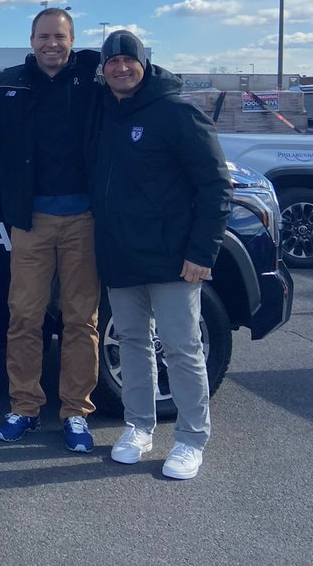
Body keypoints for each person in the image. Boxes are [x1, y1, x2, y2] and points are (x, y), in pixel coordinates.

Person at [0, 8, 101, 452]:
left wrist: (99, 59)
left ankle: (75, 413)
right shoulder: (7, 83)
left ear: (72, 40)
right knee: (25, 318)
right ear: (31, 40)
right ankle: (25, 408)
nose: (52, 44)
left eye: (60, 37)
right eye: (44, 37)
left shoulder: (92, 80)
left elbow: (145, 80)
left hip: (84, 221)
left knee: (80, 320)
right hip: (30, 223)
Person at [90, 30, 231, 480]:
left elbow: (215, 186)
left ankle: (191, 438)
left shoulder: (176, 111)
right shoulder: (104, 111)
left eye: (129, 61)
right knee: (133, 343)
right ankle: (139, 427)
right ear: (104, 69)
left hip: (174, 258)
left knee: (182, 348)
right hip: (121, 254)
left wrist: (202, 252)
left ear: (144, 64)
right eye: (112, 62)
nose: (121, 68)